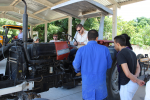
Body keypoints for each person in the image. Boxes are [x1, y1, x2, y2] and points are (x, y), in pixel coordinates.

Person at [73, 30, 112, 100]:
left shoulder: (81, 50)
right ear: (97, 38)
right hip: (101, 89)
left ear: (87, 37)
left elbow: (76, 65)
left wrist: (78, 71)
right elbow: (109, 65)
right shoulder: (105, 49)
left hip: (87, 88)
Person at [114, 35, 145, 100]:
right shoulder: (132, 52)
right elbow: (138, 67)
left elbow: (127, 74)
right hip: (133, 84)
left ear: (118, 44)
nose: (114, 46)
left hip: (126, 84)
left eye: (114, 44)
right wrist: (135, 77)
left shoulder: (121, 54)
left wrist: (137, 80)